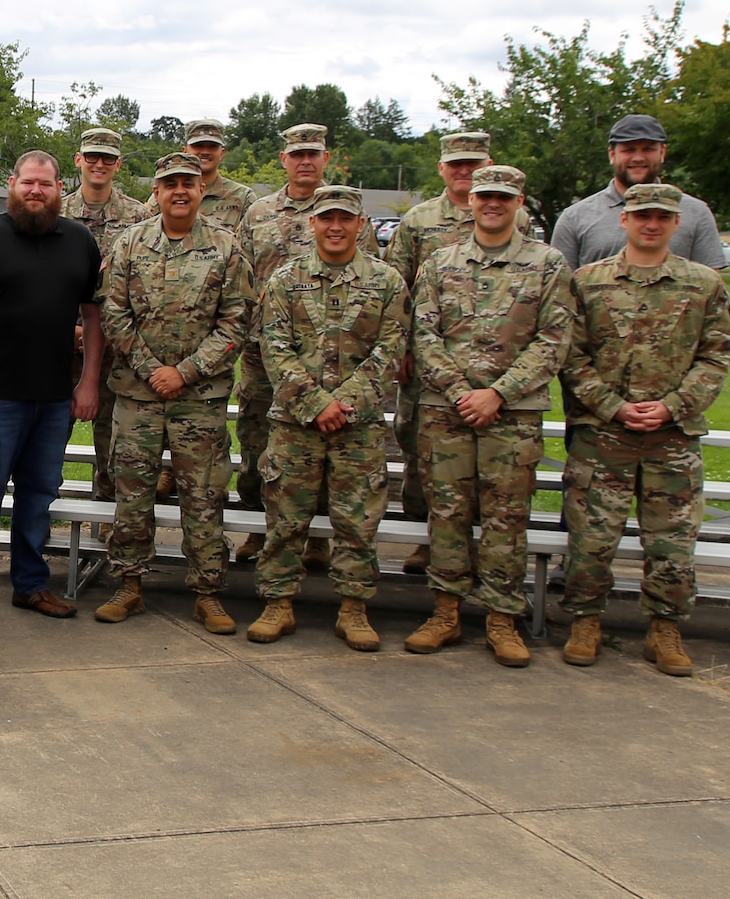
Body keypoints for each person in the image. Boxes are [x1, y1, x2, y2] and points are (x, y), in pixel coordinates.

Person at [559, 183, 730, 676]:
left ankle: (665, 628)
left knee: (673, 543)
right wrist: (613, 406)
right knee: (592, 538)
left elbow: (717, 353)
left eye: (662, 216)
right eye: (642, 215)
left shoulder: (703, 285)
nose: (651, 224)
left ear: (678, 223)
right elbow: (570, 356)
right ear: (625, 220)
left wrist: (675, 406)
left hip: (672, 437)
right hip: (603, 436)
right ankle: (585, 621)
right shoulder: (588, 282)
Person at [401, 167, 572, 668]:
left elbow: (553, 339)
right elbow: (423, 335)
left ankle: (502, 617)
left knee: (505, 519)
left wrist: (497, 393)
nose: (492, 204)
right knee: (448, 514)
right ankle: (446, 612)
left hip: (512, 415)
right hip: (445, 410)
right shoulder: (440, 262)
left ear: (519, 201)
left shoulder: (547, 264)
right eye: (484, 196)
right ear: (470, 201)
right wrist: (459, 391)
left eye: (503, 196)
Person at [0, 150, 104, 625]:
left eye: (46, 184)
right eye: (28, 183)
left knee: (40, 495)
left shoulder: (79, 240)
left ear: (59, 188)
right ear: (12, 183)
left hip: (55, 396)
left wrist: (87, 381)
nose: (36, 191)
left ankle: (30, 585)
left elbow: (94, 318)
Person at [95, 152, 252, 635]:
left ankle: (207, 592)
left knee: (203, 498)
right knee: (133, 496)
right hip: (137, 397)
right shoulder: (129, 245)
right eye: (170, 184)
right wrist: (149, 368)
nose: (180, 190)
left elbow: (236, 321)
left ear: (202, 188)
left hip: (197, 402)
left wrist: (185, 372)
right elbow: (113, 313)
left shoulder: (226, 249)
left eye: (189, 181)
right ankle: (129, 585)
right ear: (157, 192)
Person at [245, 186, 406, 652]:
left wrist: (345, 402)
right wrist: (316, 404)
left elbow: (390, 349)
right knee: (285, 517)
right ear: (312, 223)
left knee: (357, 519)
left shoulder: (387, 281)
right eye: (326, 218)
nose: (335, 226)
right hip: (297, 423)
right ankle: (278, 603)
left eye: (345, 218)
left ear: (361, 225)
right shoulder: (285, 280)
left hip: (358, 425)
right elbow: (273, 348)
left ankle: (353, 607)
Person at [231, 124, 378, 570]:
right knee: (259, 444)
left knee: (328, 445)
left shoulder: (347, 213)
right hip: (266, 354)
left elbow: (370, 276)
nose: (305, 161)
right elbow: (239, 277)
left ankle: (317, 539)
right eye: (297, 154)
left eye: (313, 153)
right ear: (284, 159)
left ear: (325, 158)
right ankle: (261, 528)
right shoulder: (258, 213)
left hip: (335, 357)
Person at [385, 132, 533, 559]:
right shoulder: (418, 220)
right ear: (442, 168)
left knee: (496, 465)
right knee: (421, 451)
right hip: (430, 361)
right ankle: (424, 539)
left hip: (498, 366)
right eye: (456, 164)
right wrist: (405, 351)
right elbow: (398, 290)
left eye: (474, 163)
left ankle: (481, 546)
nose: (465, 171)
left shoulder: (513, 218)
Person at [61, 126, 151, 502]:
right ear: (78, 160)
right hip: (58, 348)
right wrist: (72, 328)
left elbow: (145, 285)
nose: (99, 164)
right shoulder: (56, 212)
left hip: (119, 351)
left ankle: (113, 530)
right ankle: (38, 521)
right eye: (92, 157)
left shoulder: (140, 217)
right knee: (47, 443)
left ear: (118, 164)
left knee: (114, 448)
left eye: (108, 159)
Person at [552, 114, 725, 271]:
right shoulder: (575, 217)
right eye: (629, 150)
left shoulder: (696, 212)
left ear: (662, 152)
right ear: (612, 154)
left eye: (648, 149)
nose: (638, 158)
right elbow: (562, 288)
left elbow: (711, 287)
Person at [165, 118, 257, 235]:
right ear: (185, 151)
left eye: (212, 146)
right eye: (198, 146)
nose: (205, 152)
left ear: (222, 153)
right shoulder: (168, 193)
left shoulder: (243, 197)